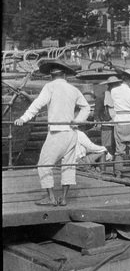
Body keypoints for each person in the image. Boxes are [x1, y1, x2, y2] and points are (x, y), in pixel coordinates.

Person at [15, 60, 90, 206]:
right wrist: (77, 121)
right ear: (64, 75)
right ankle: (64, 198)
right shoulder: (73, 89)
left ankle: (50, 197)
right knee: (68, 165)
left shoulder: (50, 87)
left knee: (43, 164)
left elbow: (37, 104)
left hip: (57, 132)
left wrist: (23, 118)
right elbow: (86, 107)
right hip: (71, 132)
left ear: (51, 76)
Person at [109, 71, 130, 181]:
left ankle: (118, 173)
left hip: (119, 121)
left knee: (119, 150)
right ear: (129, 80)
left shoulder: (113, 91)